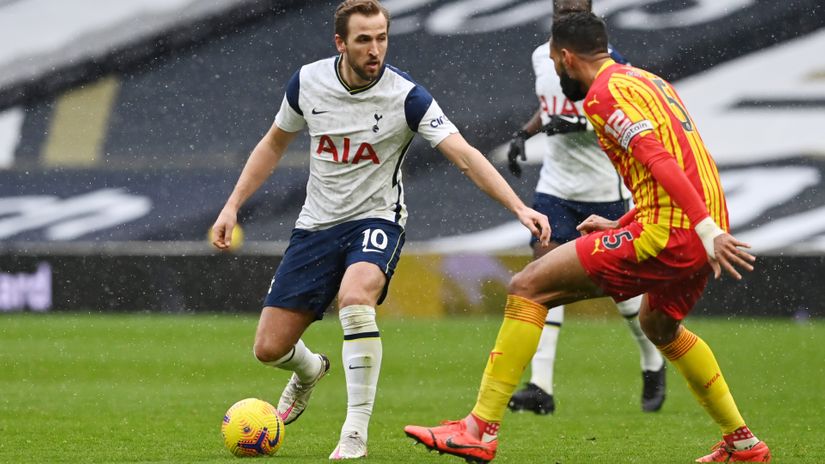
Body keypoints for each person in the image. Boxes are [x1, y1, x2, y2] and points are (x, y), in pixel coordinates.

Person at [404, 11, 771, 463]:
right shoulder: (648, 82)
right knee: (659, 325)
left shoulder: (601, 96)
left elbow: (659, 161)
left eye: (558, 67)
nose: (559, 77)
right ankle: (743, 444)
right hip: (692, 224)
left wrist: (702, 227)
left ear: (565, 57)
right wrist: (630, 223)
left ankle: (479, 429)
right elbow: (687, 158)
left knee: (527, 287)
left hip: (678, 231)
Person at [210, 0, 550, 460]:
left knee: (355, 300)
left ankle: (354, 433)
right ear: (341, 43)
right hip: (316, 225)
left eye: (382, 37)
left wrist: (517, 206)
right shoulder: (308, 82)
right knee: (269, 349)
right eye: (364, 40)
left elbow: (465, 155)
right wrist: (232, 206)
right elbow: (273, 144)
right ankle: (311, 370)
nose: (375, 49)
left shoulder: (407, 96)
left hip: (377, 220)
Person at [505, 0, 665, 415]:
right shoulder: (542, 54)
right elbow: (554, 103)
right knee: (540, 273)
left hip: (602, 188)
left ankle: (652, 360)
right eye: (562, 4)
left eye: (575, 5)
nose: (566, 10)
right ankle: (540, 386)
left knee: (621, 290)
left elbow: (623, 117)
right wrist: (526, 132)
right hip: (555, 187)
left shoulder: (613, 63)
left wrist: (574, 125)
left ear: (590, 9)